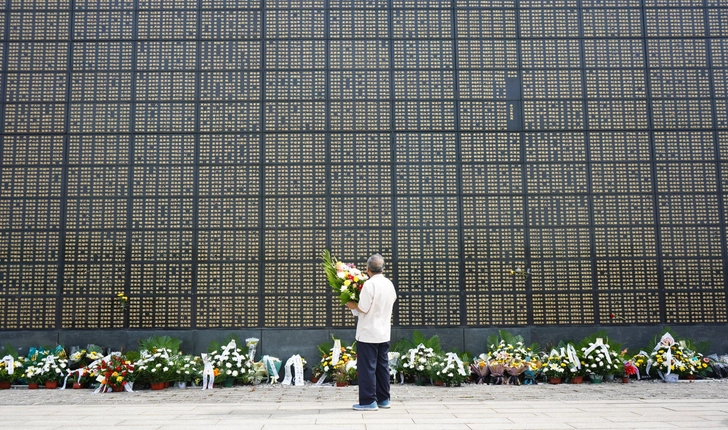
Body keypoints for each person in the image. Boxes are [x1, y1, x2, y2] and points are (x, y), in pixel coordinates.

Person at [346, 253, 397, 411]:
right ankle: (383, 399)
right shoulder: (389, 284)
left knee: (367, 367)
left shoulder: (369, 285)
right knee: (382, 366)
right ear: (382, 268)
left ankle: (368, 401)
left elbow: (363, 307)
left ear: (367, 269)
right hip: (383, 332)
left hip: (368, 333)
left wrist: (351, 305)